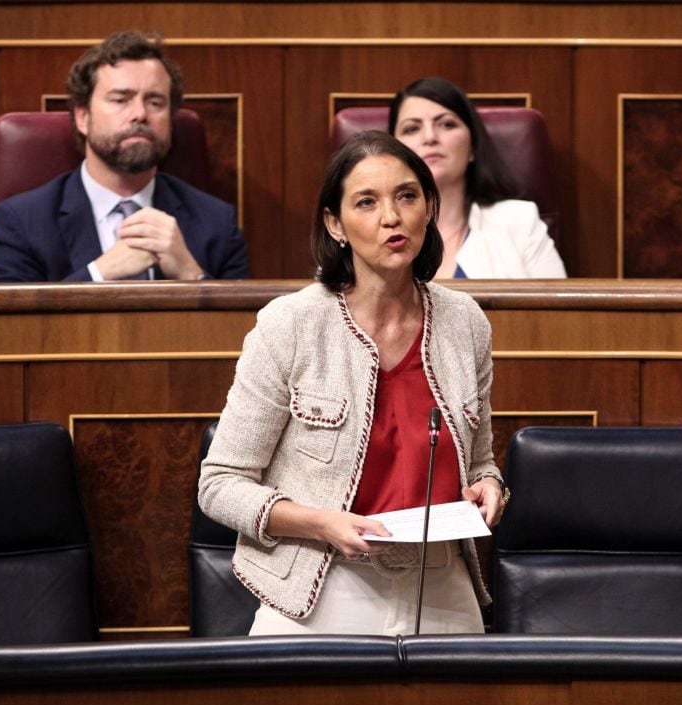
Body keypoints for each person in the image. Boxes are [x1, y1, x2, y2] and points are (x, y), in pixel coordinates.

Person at [198, 131, 508, 636]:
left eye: (407, 196)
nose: (392, 217)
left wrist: (490, 487)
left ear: (429, 208)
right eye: (367, 202)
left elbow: (479, 461)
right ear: (335, 224)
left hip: (442, 585)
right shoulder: (291, 324)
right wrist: (324, 523)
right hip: (321, 583)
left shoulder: (464, 322)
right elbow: (220, 486)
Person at [0, 31, 250, 283]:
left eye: (155, 102)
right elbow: (9, 328)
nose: (139, 113)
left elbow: (246, 327)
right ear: (83, 117)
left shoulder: (218, 222)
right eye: (120, 100)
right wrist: (99, 274)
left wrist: (192, 276)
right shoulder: (20, 222)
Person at [389, 77, 566, 279]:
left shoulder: (519, 222)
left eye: (446, 124)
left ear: (473, 146)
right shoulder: (377, 228)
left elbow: (557, 311)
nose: (430, 137)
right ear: (393, 153)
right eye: (412, 128)